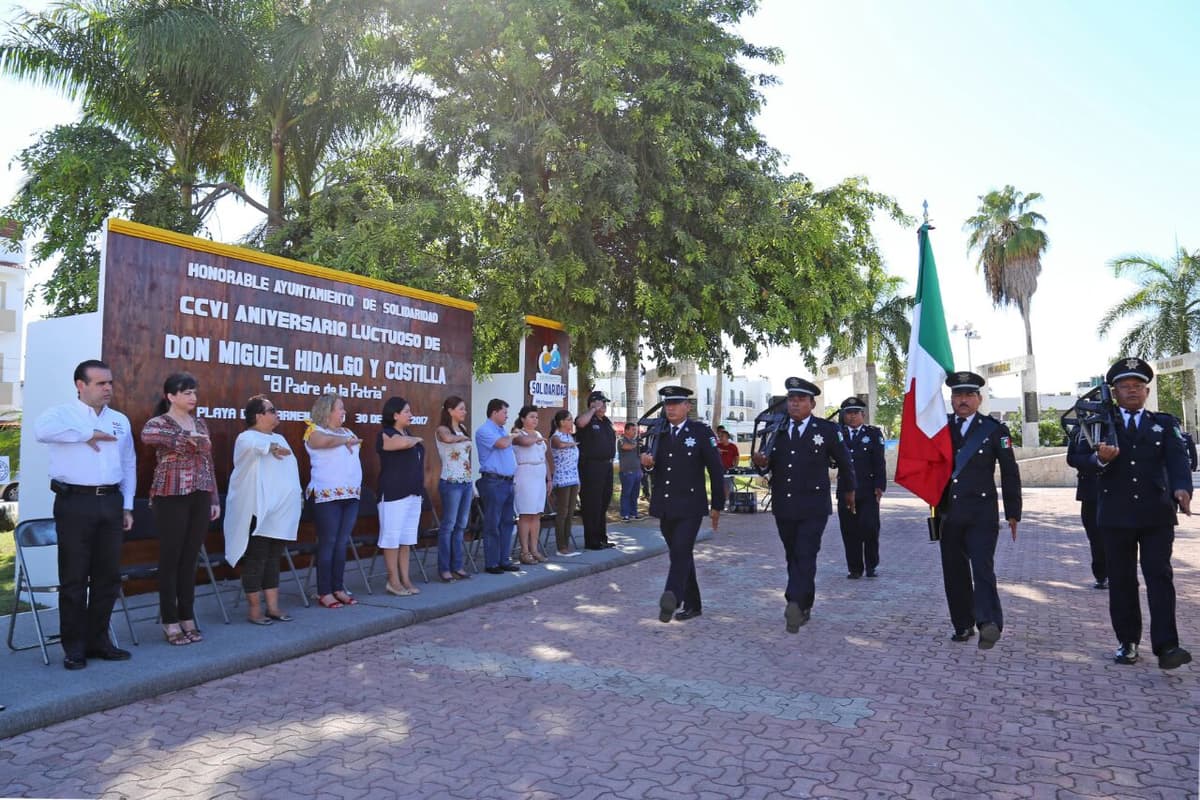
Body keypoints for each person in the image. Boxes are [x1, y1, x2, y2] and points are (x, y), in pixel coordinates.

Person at [1067, 358, 1192, 669]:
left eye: (1138, 386)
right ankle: (1128, 642)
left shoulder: (1164, 423)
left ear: (1147, 391)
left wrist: (1182, 489)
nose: (1132, 391)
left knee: (1160, 577)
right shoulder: (1097, 423)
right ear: (1115, 392)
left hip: (1156, 514)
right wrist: (1100, 460)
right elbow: (1075, 457)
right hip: (1115, 515)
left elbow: (1178, 460)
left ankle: (1167, 646)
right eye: (1125, 386)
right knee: (1122, 580)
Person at [34, 359, 136, 670]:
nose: (108, 388)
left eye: (110, 382)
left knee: (108, 577)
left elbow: (128, 463)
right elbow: (41, 431)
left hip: (111, 502)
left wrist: (128, 505)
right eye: (100, 383)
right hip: (75, 503)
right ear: (81, 385)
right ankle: (74, 647)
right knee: (74, 578)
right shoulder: (61, 415)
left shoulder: (119, 420)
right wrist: (85, 433)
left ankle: (99, 641)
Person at [752, 376, 855, 635]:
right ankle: (804, 603)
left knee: (805, 553)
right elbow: (765, 464)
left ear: (812, 403)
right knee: (792, 555)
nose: (795, 404)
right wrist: (760, 463)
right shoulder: (776, 429)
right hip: (785, 504)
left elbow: (845, 462)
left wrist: (849, 491)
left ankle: (794, 603)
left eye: (800, 399)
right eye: (791, 399)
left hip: (813, 506)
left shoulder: (827, 430)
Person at [935, 371, 1021, 650]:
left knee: (982, 568)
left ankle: (989, 623)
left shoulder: (994, 430)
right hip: (947, 512)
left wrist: (1013, 511)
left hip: (981, 513)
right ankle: (962, 624)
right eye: (958, 395)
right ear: (951, 399)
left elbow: (1009, 472)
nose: (963, 400)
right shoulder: (938, 429)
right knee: (954, 571)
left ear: (979, 399)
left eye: (969, 395)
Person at [141, 372, 221, 646]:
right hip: (170, 495)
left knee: (190, 559)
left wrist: (214, 498)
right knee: (171, 559)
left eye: (194, 392)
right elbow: (148, 436)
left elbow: (208, 462)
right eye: (187, 393)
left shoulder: (200, 422)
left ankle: (187, 617)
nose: (193, 397)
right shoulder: (159, 422)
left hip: (200, 494)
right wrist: (186, 438)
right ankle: (170, 620)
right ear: (171, 396)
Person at [641, 386, 725, 623]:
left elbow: (716, 470)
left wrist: (717, 505)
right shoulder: (657, 432)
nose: (671, 408)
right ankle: (693, 604)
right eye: (668, 404)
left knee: (680, 550)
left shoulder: (700, 432)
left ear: (687, 406)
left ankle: (672, 596)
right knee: (681, 554)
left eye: (676, 404)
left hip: (690, 505)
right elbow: (650, 465)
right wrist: (647, 464)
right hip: (665, 504)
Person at [224, 395, 301, 625]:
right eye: (272, 410)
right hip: (257, 511)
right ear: (259, 415)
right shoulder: (246, 437)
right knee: (256, 559)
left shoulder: (280, 438)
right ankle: (255, 610)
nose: (277, 414)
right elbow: (255, 448)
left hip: (280, 514)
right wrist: (271, 447)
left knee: (274, 559)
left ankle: (273, 607)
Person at [304, 393, 363, 609]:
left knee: (341, 542)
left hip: (351, 495)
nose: (344, 411)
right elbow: (324, 442)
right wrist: (345, 441)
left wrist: (346, 439)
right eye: (340, 408)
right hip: (327, 496)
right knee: (328, 542)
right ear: (327, 411)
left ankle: (338, 587)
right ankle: (324, 591)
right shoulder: (314, 431)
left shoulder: (348, 432)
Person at [377, 396, 425, 596]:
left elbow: (408, 443)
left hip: (413, 493)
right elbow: (397, 444)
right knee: (392, 538)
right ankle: (393, 581)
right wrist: (414, 440)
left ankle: (405, 579)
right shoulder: (386, 434)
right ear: (395, 414)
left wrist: (412, 439)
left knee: (406, 539)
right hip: (394, 494)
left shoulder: (409, 434)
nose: (410, 415)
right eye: (406, 411)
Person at [836, 396, 887, 579]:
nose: (852, 416)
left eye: (855, 413)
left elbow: (879, 462)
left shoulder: (873, 434)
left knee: (870, 528)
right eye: (848, 413)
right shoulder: (837, 434)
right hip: (845, 490)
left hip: (868, 489)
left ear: (862, 415)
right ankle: (855, 568)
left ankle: (871, 565)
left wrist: (880, 486)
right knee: (849, 530)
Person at [476, 398, 519, 574]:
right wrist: (513, 435)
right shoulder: (484, 430)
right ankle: (492, 563)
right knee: (493, 523)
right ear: (494, 412)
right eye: (504, 413)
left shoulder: (501, 430)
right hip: (493, 482)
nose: (507, 416)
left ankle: (504, 559)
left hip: (507, 482)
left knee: (507, 522)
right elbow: (502, 444)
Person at [434, 396, 473, 582]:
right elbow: (447, 439)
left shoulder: (463, 428)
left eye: (465, 408)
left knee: (461, 526)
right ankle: (444, 568)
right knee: (448, 525)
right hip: (451, 482)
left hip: (466, 482)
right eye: (461, 408)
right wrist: (462, 437)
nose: (465, 412)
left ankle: (457, 565)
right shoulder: (442, 429)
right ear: (450, 410)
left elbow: (466, 457)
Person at [575, 389, 616, 549]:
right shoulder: (587, 419)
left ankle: (601, 538)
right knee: (592, 503)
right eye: (601, 402)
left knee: (603, 503)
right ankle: (592, 541)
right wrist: (592, 409)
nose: (604, 406)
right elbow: (580, 423)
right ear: (592, 403)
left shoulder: (605, 421)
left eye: (605, 403)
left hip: (607, 466)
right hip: (591, 466)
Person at [1067, 425, 1106, 590]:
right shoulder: (1081, 429)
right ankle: (1101, 575)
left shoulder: (1119, 424)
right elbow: (1071, 458)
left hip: (1118, 491)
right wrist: (1095, 459)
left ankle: (1118, 574)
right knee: (1095, 537)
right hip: (1090, 491)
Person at [512, 405, 551, 564]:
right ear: (523, 418)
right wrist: (536, 439)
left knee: (536, 514)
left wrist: (549, 478)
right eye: (531, 417)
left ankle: (534, 549)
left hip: (539, 475)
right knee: (526, 514)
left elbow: (544, 457)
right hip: (525, 475)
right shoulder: (517, 432)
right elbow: (524, 442)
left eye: (536, 417)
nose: (535, 420)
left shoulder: (538, 434)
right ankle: (524, 551)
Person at [549, 409, 581, 554]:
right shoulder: (556, 436)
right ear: (561, 422)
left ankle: (566, 543)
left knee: (570, 513)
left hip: (573, 478)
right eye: (569, 419)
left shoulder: (570, 436)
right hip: (562, 479)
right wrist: (572, 444)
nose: (571, 422)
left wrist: (578, 480)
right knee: (562, 512)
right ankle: (561, 545)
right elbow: (559, 445)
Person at [617, 422, 643, 521]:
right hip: (627, 471)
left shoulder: (635, 441)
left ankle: (633, 513)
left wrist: (640, 470)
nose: (635, 432)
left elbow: (639, 456)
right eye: (633, 430)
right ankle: (625, 514)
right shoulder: (621, 440)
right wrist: (636, 444)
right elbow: (626, 447)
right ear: (626, 430)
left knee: (635, 494)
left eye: (635, 430)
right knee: (626, 493)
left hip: (637, 471)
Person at [715, 427, 740, 497]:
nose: (720, 438)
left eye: (722, 436)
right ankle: (722, 500)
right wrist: (716, 452)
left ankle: (730, 500)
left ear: (727, 437)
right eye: (720, 436)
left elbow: (737, 457)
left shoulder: (733, 446)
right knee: (720, 487)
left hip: (729, 470)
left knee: (729, 486)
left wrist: (735, 467)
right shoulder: (717, 446)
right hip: (719, 470)